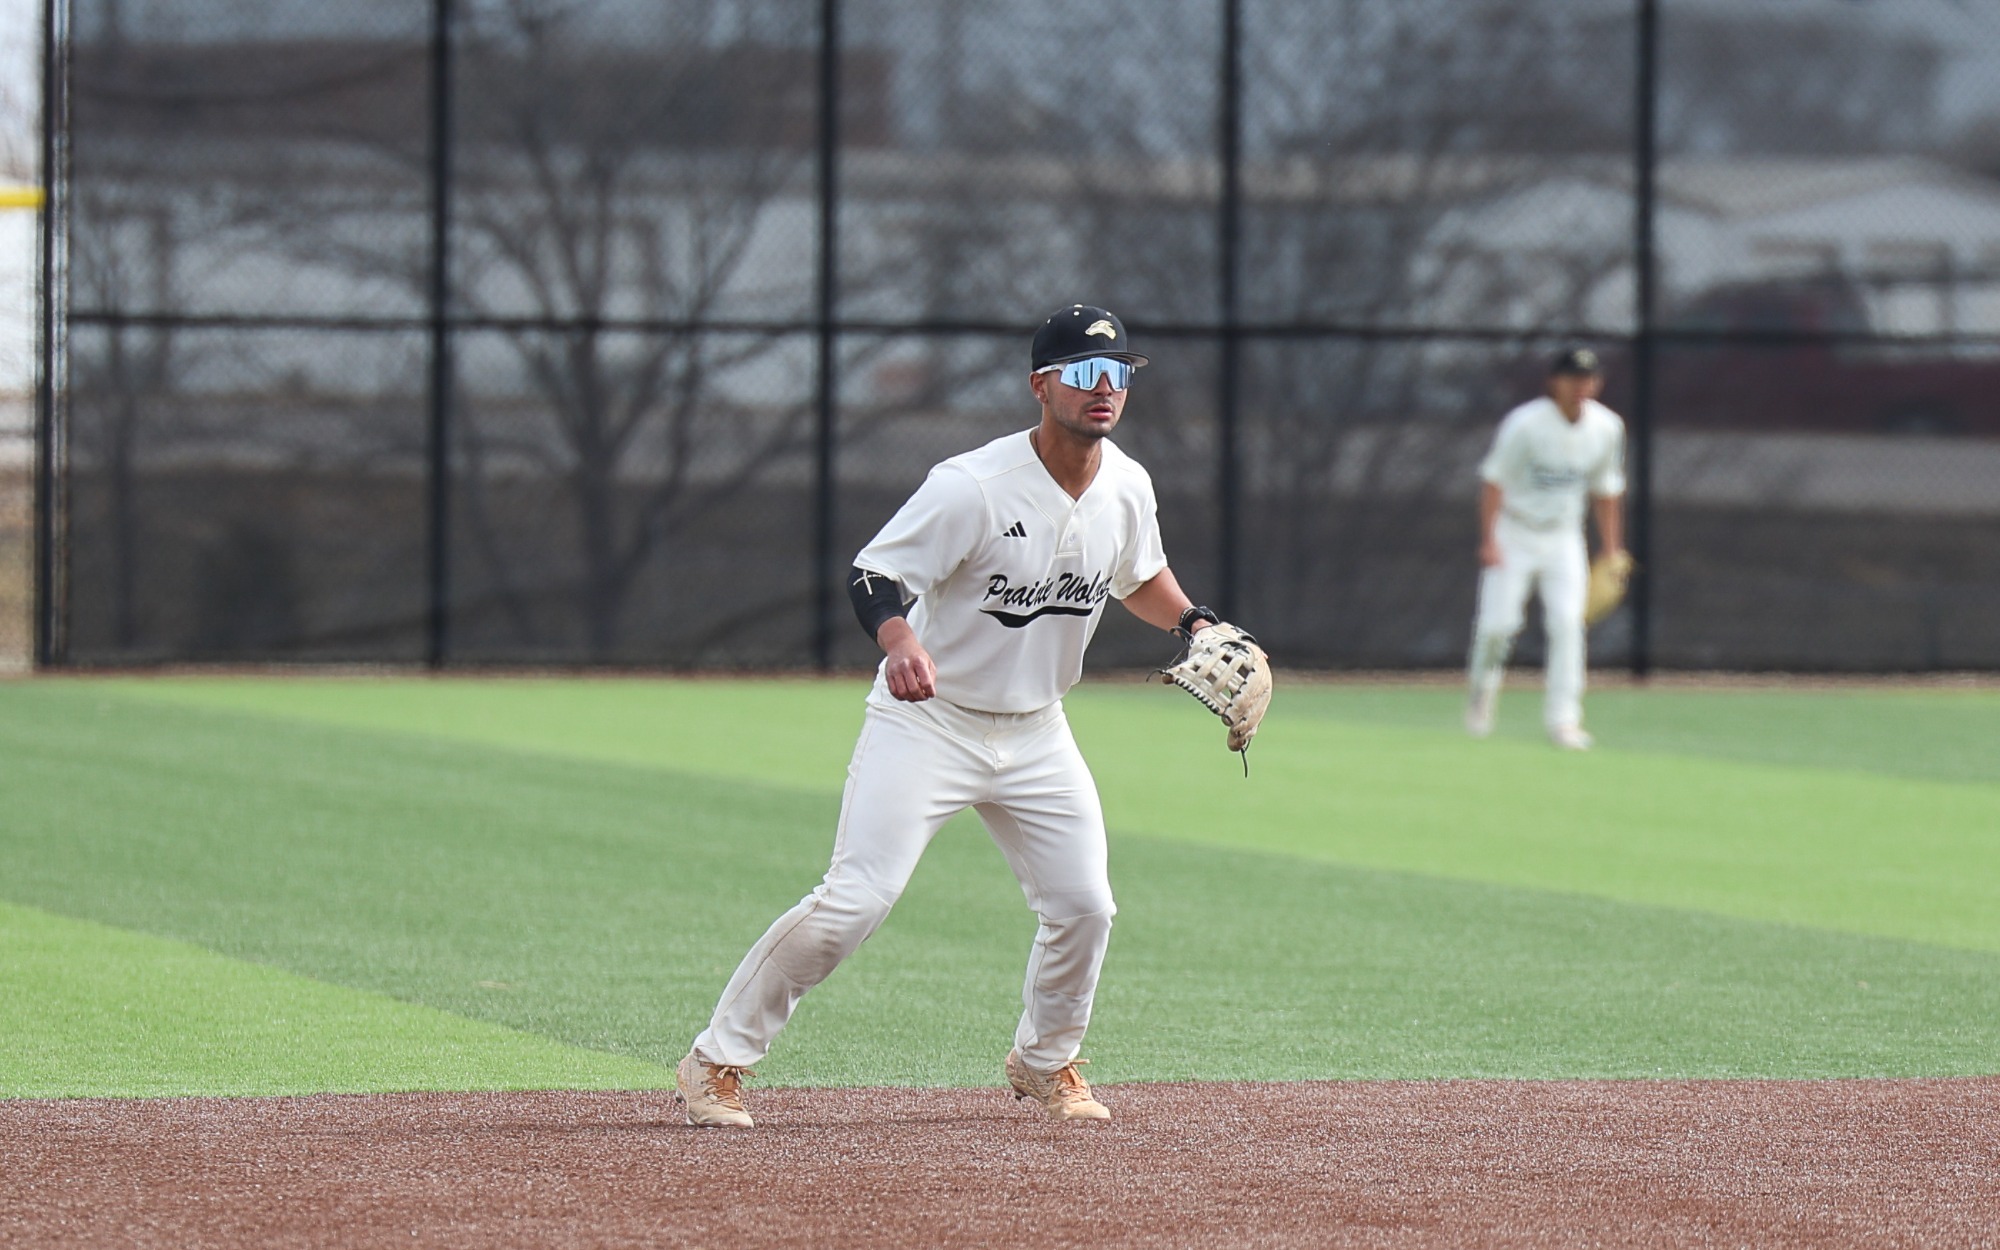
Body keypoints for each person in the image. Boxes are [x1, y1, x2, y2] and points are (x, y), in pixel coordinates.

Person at [676, 304, 1232, 1127]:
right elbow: (875, 575)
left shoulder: (1127, 484)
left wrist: (1195, 623)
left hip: (1038, 728)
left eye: (1118, 373)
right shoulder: (972, 485)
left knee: (1085, 907)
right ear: (1042, 385)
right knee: (856, 899)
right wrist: (898, 639)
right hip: (930, 722)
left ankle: (1045, 1062)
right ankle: (715, 1061)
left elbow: (1139, 575)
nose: (1104, 388)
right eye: (1083, 373)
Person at [1465, 347, 1628, 750]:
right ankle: (1481, 697)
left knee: (1567, 624)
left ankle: (1565, 720)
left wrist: (1611, 550)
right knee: (1498, 626)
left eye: (1588, 378)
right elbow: (1494, 481)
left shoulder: (1606, 427)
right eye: (1573, 378)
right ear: (1555, 382)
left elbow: (1606, 491)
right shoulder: (1526, 424)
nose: (1581, 386)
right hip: (1514, 531)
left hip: (1563, 536)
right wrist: (1489, 540)